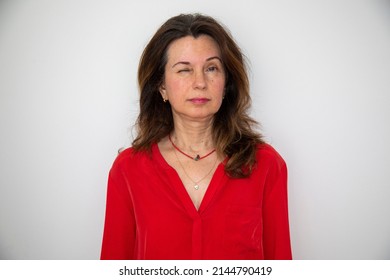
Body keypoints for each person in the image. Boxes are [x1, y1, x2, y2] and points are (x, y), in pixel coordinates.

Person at [100, 13, 292, 260]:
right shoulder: (128, 170)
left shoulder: (266, 164)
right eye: (184, 70)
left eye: (211, 68)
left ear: (226, 83)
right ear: (161, 86)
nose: (200, 82)